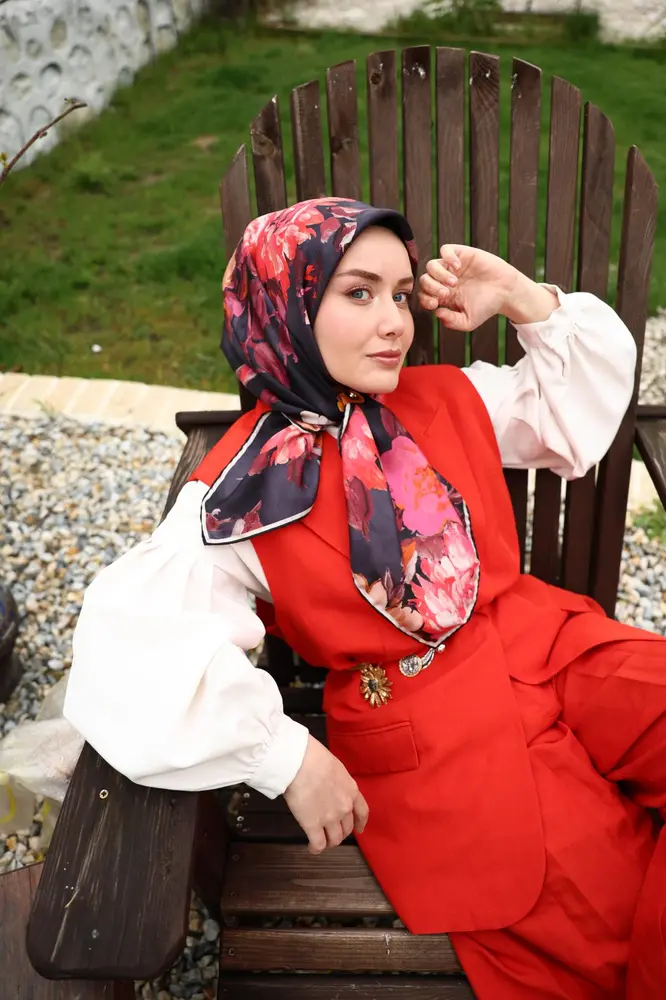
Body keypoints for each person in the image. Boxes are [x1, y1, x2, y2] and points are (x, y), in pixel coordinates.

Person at [64, 198, 666, 999]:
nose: (394, 323)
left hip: (546, 641)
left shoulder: (447, 397)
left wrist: (523, 297)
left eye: (401, 294)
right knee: (602, 905)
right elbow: (129, 646)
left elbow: (573, 409)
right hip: (427, 721)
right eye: (358, 293)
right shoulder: (244, 491)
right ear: (286, 305)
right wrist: (285, 758)